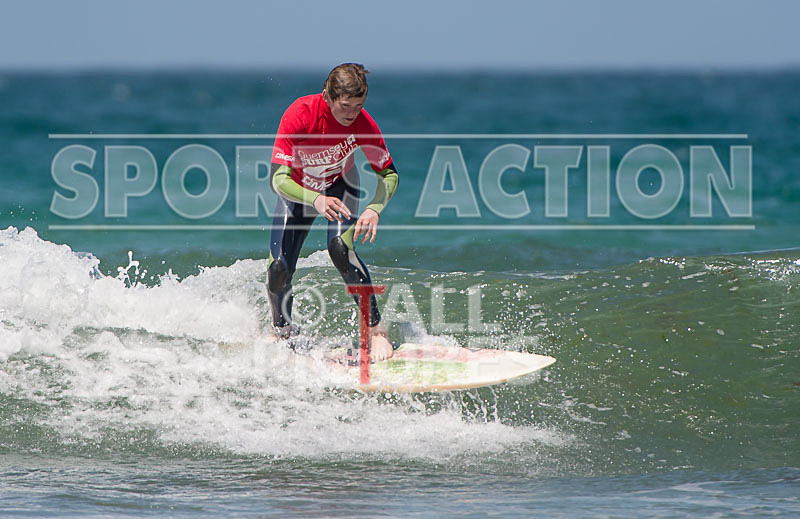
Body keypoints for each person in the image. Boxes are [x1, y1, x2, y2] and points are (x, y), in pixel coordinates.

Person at [267, 63, 399, 361]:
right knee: (279, 268)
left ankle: (377, 331)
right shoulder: (300, 114)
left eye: (359, 105)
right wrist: (315, 199)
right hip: (299, 193)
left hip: (341, 186)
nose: (353, 113)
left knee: (340, 248)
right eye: (346, 106)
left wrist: (374, 209)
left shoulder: (362, 123)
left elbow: (389, 174)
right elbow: (278, 179)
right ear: (328, 97)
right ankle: (283, 331)